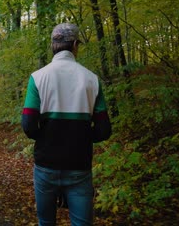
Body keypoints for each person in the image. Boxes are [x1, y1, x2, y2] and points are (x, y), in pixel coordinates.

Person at [21, 23, 112, 225]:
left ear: (53, 45)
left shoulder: (37, 78)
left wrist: (46, 137)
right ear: (75, 45)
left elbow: (28, 124)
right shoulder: (92, 80)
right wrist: (80, 137)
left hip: (46, 165)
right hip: (79, 165)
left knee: (46, 222)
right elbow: (104, 130)